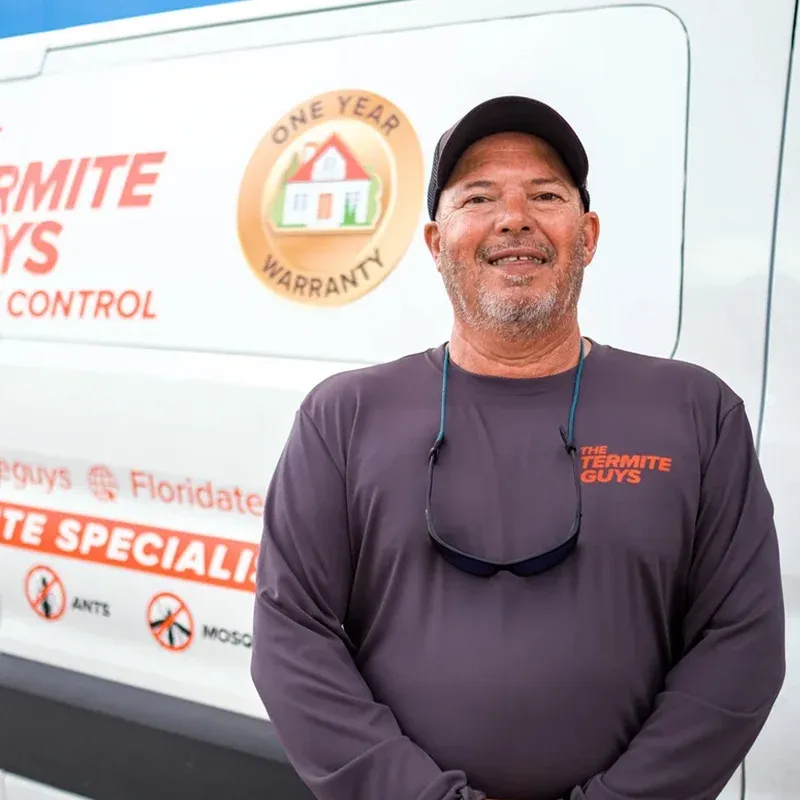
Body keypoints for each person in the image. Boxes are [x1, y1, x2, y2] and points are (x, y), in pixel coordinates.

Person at [250, 95, 786, 800]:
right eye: (479, 196)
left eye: (545, 195)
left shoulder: (696, 412)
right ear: (437, 242)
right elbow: (293, 641)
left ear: (586, 235)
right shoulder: (344, 415)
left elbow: (740, 644)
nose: (514, 218)